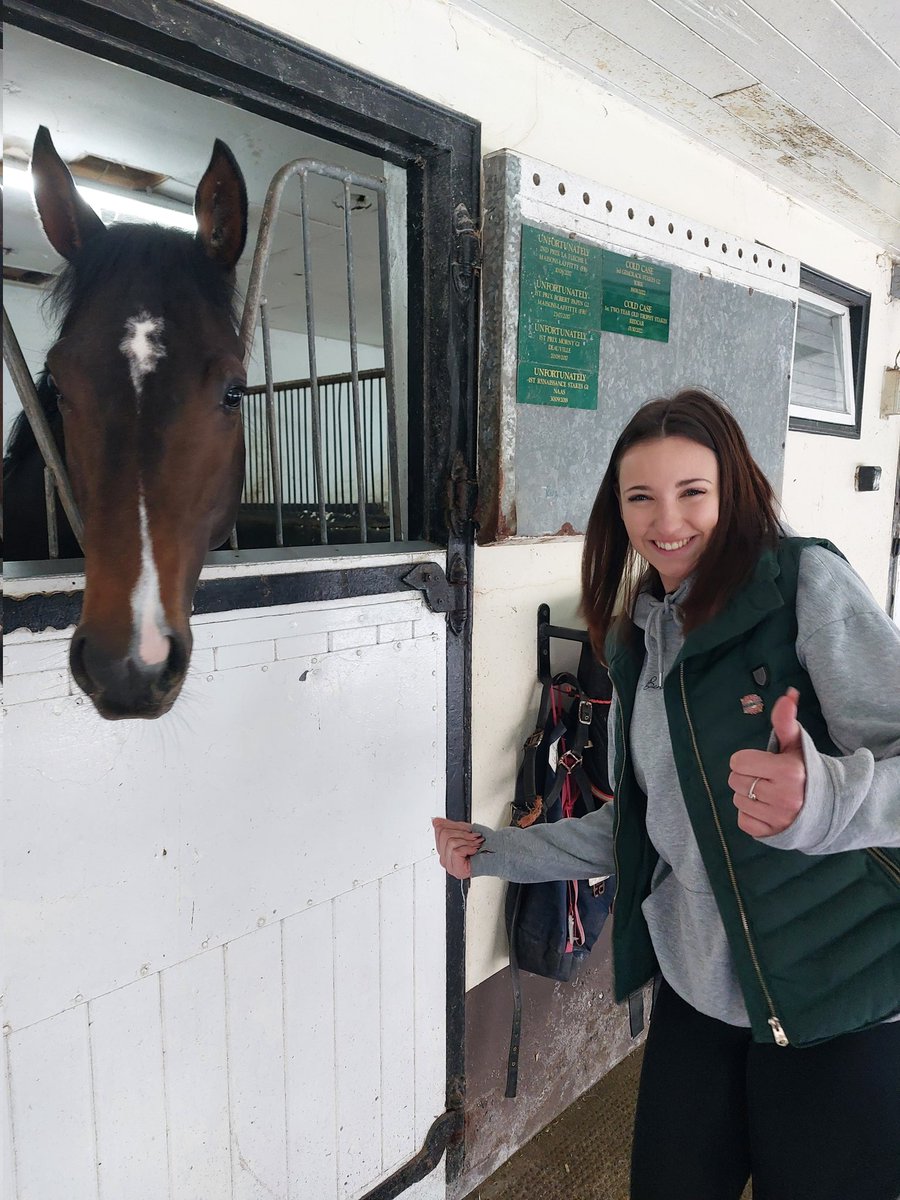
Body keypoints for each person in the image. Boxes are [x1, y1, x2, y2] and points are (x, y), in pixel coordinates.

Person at [434, 389, 900, 1200]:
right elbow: (642, 826)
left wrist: (826, 800)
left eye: (693, 492)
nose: (667, 520)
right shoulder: (638, 639)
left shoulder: (803, 585)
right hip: (699, 997)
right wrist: (494, 851)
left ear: (734, 490)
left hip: (840, 992)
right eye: (640, 497)